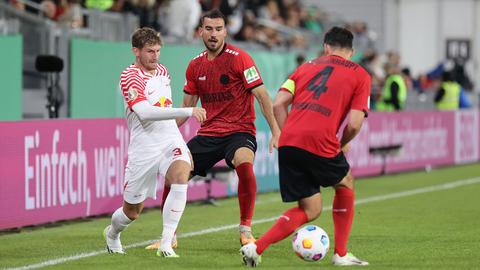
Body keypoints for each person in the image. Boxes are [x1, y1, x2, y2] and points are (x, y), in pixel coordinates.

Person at [146, 9, 281, 250]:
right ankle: (169, 237)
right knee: (173, 174)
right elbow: (187, 107)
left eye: (218, 29)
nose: (213, 34)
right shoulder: (195, 66)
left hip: (239, 131)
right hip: (209, 134)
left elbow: (261, 95)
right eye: (208, 29)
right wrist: (165, 136)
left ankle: (245, 230)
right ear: (200, 32)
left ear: (225, 31)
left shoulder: (240, 58)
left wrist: (276, 130)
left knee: (244, 164)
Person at [241, 26, 370, 267]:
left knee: (311, 208)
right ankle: (341, 254)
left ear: (326, 47)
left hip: (289, 140)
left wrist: (284, 133)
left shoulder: (306, 66)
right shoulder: (361, 74)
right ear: (351, 52)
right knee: (345, 182)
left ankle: (255, 247)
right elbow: (354, 123)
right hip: (320, 139)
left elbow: (279, 104)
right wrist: (342, 144)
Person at [103, 27, 206, 258]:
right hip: (144, 147)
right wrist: (188, 111)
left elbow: (163, 109)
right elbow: (146, 112)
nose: (156, 56)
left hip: (169, 139)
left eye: (158, 50)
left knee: (181, 175)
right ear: (136, 51)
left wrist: (178, 136)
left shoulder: (162, 71)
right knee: (132, 212)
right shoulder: (129, 76)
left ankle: (166, 243)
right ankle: (112, 233)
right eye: (150, 51)